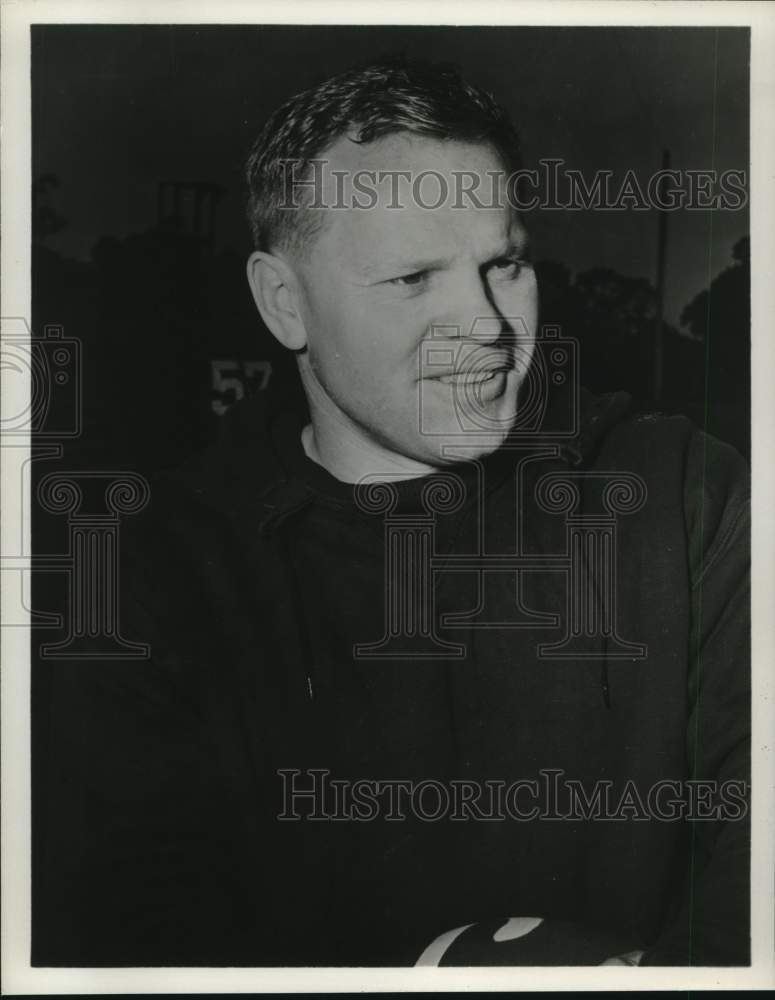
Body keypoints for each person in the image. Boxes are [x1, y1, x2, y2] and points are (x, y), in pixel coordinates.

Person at [34, 57, 750, 967]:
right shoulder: (141, 583)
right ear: (282, 301)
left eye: (505, 264)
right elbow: (124, 933)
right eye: (413, 278)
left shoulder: (682, 495)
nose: (485, 324)